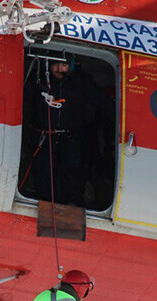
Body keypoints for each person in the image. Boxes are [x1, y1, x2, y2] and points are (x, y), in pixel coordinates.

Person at [23, 54, 112, 207]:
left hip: (72, 139)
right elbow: (24, 103)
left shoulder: (82, 82)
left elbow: (104, 105)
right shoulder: (38, 80)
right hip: (43, 138)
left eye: (63, 65)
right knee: (44, 176)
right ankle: (44, 208)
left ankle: (70, 208)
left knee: (72, 176)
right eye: (55, 64)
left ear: (71, 65)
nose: (59, 69)